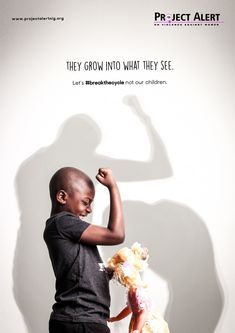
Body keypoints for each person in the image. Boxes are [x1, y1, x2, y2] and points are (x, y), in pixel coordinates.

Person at [43, 167, 124, 333]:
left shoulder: (69, 230)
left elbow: (82, 270)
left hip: (84, 319)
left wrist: (111, 270)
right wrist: (113, 187)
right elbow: (116, 234)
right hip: (79, 319)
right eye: (85, 202)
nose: (89, 209)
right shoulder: (62, 222)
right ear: (62, 197)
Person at [107, 243, 170, 333]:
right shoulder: (131, 290)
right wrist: (117, 318)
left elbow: (144, 312)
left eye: (119, 278)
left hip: (145, 324)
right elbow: (130, 308)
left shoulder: (136, 291)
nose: (119, 281)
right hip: (138, 322)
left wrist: (137, 329)